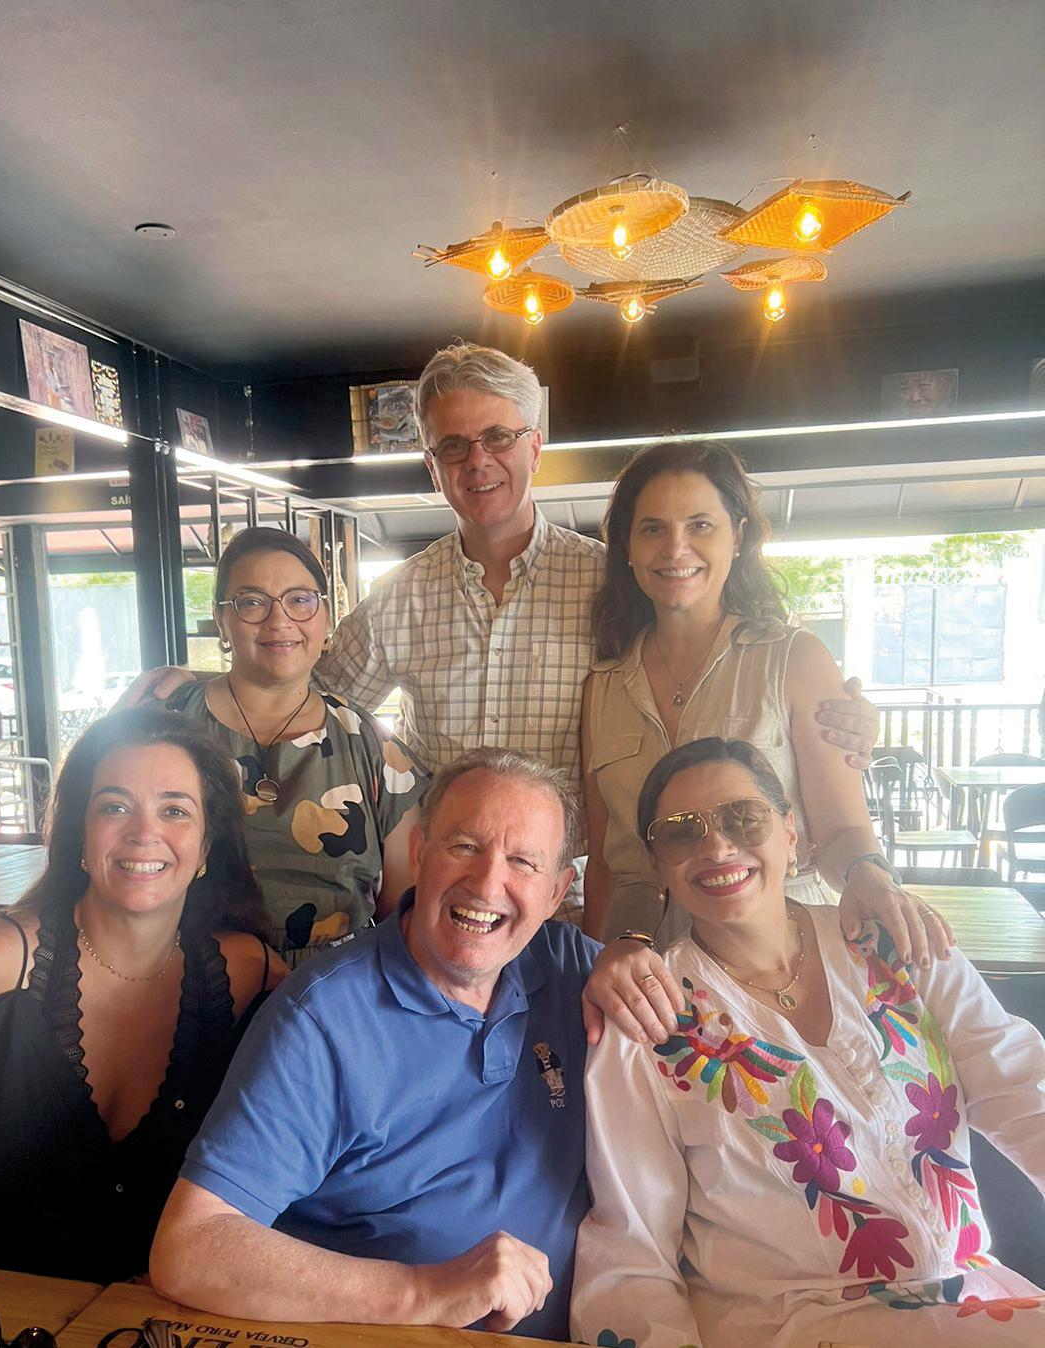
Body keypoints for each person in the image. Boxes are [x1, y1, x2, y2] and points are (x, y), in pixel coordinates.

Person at [120, 344, 877, 811]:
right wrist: (193, 690)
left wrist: (831, 716)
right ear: (432, 466)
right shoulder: (404, 594)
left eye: (497, 437)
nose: (477, 461)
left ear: (534, 446)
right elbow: (306, 692)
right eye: (453, 446)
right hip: (441, 894)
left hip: (584, 888)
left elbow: (706, 670)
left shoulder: (609, 582)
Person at [150, 747, 686, 1340]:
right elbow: (192, 1247)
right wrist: (429, 1290)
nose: (487, 883)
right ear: (417, 853)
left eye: (523, 862)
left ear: (558, 892)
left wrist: (629, 946)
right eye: (464, 847)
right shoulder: (325, 1018)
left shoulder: (572, 971)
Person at [571, 737, 1045, 1348]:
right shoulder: (649, 1020)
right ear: (659, 862)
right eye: (681, 833)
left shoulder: (899, 949)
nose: (716, 845)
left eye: (744, 818)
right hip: (787, 1327)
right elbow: (631, 1249)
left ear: (791, 832)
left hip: (974, 1304)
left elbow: (1024, 1088)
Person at [0, 709, 285, 1283]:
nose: (143, 833)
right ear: (80, 833)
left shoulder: (248, 972)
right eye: (114, 806)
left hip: (146, 1323)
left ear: (207, 847)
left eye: (174, 810)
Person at [581, 440, 953, 969]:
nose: (675, 548)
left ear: (737, 536)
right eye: (653, 528)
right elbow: (610, 864)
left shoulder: (796, 660)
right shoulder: (603, 688)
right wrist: (595, 964)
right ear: (627, 547)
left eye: (700, 525)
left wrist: (870, 873)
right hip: (656, 970)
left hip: (790, 952)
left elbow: (843, 830)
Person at [166, 526, 429, 964]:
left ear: (326, 616)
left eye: (300, 599)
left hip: (331, 997)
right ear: (221, 620)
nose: (278, 620)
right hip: (188, 988)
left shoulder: (372, 748)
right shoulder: (167, 728)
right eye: (251, 602)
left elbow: (402, 915)